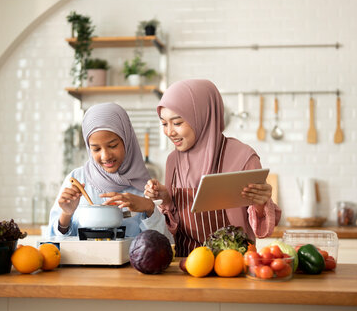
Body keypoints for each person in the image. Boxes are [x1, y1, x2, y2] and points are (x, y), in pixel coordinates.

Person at [144, 79, 281, 256]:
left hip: (233, 266)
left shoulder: (244, 157)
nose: (169, 132)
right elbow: (172, 230)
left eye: (177, 123)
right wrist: (166, 200)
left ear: (202, 116)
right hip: (188, 266)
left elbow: (261, 229)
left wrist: (261, 203)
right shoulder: (173, 161)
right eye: (164, 123)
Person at [47, 102, 172, 241]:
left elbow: (165, 245)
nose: (105, 156)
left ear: (127, 140)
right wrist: (66, 214)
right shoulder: (77, 179)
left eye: (113, 145)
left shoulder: (147, 188)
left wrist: (149, 209)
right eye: (96, 149)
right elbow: (52, 242)